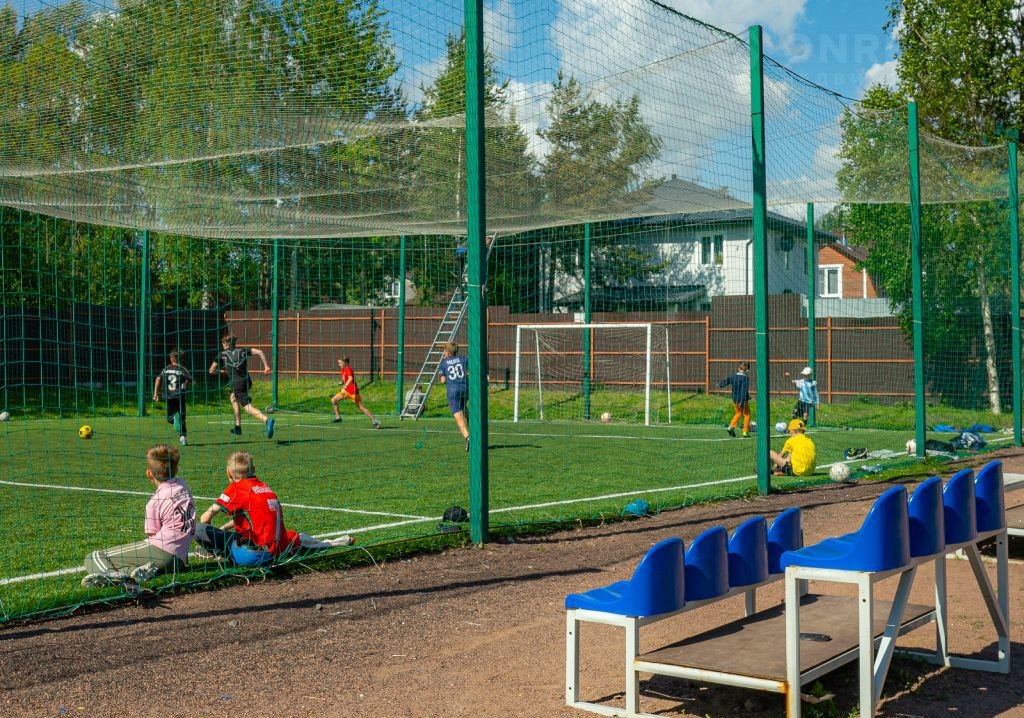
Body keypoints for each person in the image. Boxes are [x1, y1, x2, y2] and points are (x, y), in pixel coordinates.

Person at [194, 451, 353, 562]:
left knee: (198, 529)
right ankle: (333, 542)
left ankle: (216, 553)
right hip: (280, 548)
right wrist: (222, 529)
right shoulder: (265, 488)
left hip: (254, 553)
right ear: (253, 470)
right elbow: (251, 519)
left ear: (228, 472)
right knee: (293, 536)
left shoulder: (236, 489)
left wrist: (211, 543)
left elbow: (205, 518)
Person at [82, 445, 196, 589]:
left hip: (162, 553)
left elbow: (152, 536)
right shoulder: (183, 486)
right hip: (179, 560)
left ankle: (112, 577)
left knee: (94, 557)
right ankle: (132, 572)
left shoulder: (154, 502)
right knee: (129, 561)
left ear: (149, 474)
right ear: (176, 469)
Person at [208, 334, 275, 439]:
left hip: (237, 384)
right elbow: (260, 352)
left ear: (227, 343)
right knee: (233, 398)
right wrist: (266, 366)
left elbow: (211, 370)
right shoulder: (243, 351)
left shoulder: (221, 354)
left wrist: (221, 371)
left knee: (247, 407)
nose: (223, 345)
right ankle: (238, 426)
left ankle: (267, 420)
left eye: (223, 343)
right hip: (247, 381)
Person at [153, 349, 192, 446]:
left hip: (169, 396)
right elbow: (190, 380)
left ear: (171, 358)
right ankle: (183, 437)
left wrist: (155, 393)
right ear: (181, 359)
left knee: (170, 419)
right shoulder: (182, 369)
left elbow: (158, 378)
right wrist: (185, 384)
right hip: (179, 396)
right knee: (182, 418)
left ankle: (174, 419)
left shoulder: (166, 369)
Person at [331, 356, 380, 428]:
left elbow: (350, 378)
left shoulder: (348, 369)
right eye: (339, 363)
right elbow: (344, 377)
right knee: (333, 400)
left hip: (353, 392)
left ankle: (375, 421)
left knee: (361, 407)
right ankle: (338, 417)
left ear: (346, 362)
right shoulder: (343, 369)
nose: (339, 365)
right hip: (346, 391)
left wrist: (345, 386)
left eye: (340, 363)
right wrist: (342, 382)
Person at [437, 341, 469, 451]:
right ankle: (474, 429)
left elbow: (442, 380)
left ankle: (468, 437)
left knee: (457, 413)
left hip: (453, 390)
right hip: (465, 388)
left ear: (446, 352)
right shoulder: (462, 359)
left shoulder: (444, 362)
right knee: (463, 409)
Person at [718, 361, 751, 438]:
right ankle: (745, 431)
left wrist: (720, 385)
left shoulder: (733, 376)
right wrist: (742, 401)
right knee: (747, 414)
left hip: (735, 399)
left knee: (738, 413)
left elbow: (727, 381)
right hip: (743, 400)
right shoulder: (745, 378)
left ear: (738, 368)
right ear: (747, 370)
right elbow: (744, 390)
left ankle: (731, 427)